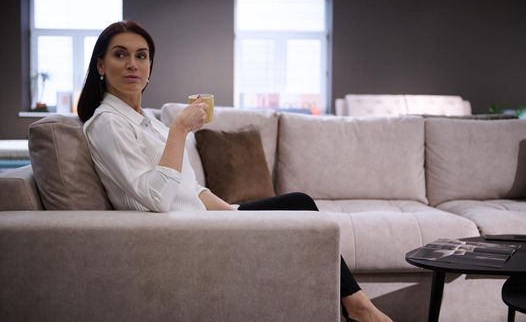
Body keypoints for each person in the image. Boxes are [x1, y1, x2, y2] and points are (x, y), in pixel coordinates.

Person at [77, 20, 392, 322]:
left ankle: (357, 307)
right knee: (300, 207)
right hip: (178, 236)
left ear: (149, 69)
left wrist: (235, 213)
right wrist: (179, 130)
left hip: (203, 220)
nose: (133, 64)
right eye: (121, 54)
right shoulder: (106, 123)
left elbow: (192, 189)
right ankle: (361, 310)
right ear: (101, 66)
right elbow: (157, 199)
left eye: (141, 56)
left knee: (299, 204)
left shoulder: (147, 122)